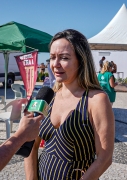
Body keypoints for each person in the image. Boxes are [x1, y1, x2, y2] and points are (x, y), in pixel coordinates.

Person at [24, 29, 114, 180]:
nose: (55, 64)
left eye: (64, 58)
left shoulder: (96, 100)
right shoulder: (48, 96)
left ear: (81, 60)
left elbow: (104, 158)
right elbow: (31, 143)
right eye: (52, 58)